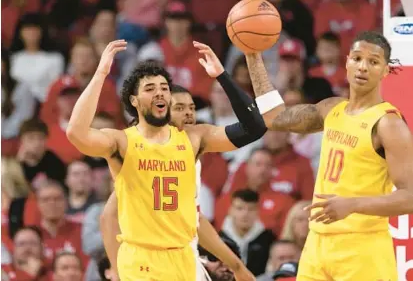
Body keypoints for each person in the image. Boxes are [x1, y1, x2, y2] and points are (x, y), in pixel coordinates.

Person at [67, 40, 268, 280]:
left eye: (164, 87)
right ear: (134, 101)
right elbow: (76, 133)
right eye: (150, 89)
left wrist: (222, 76)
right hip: (141, 258)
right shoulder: (121, 142)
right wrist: (100, 75)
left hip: (182, 256)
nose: (160, 92)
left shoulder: (193, 138)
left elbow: (254, 128)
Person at [243, 31, 413, 280]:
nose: (362, 67)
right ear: (347, 62)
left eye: (373, 62)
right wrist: (252, 56)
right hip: (317, 244)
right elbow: (275, 118)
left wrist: (353, 204)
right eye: (357, 58)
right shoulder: (332, 108)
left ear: (385, 71)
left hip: (362, 248)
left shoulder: (388, 123)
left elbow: (409, 197)